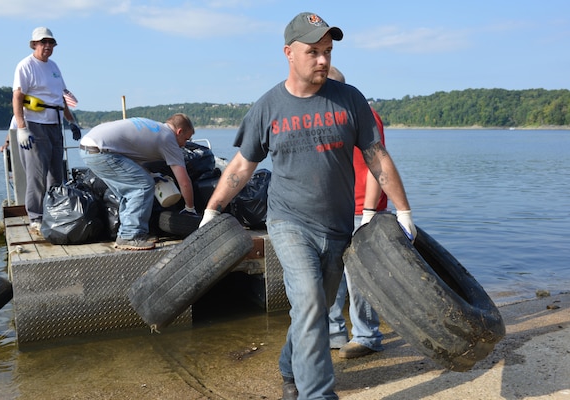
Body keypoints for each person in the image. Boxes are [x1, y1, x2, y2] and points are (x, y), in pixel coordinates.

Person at [198, 12, 417, 400]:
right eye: (313, 51)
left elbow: (376, 156)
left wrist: (403, 212)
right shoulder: (268, 106)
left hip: (337, 227)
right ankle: (318, 393)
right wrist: (212, 210)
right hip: (288, 221)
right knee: (312, 301)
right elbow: (242, 166)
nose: (322, 60)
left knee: (310, 311)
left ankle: (289, 367)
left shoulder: (349, 100)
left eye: (327, 51)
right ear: (288, 53)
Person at [326, 66, 388, 359]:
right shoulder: (326, 117)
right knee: (332, 274)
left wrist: (368, 212)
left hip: (361, 208)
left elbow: (377, 167)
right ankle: (334, 333)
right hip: (336, 208)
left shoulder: (364, 113)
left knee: (359, 277)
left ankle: (367, 336)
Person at [79, 114, 196, 251]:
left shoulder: (156, 128)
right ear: (179, 132)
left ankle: (130, 232)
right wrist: (190, 208)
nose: (185, 144)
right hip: (102, 151)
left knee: (128, 191)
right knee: (143, 186)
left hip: (88, 147)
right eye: (186, 139)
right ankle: (130, 236)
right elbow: (184, 182)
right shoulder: (168, 138)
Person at [12, 27, 82, 235]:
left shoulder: (54, 67)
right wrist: (22, 127)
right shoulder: (25, 65)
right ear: (34, 44)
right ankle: (35, 216)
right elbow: (17, 97)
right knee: (37, 173)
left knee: (56, 173)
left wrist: (71, 121)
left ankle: (55, 210)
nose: (48, 47)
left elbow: (61, 97)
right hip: (34, 124)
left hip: (55, 124)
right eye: (43, 43)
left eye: (51, 43)